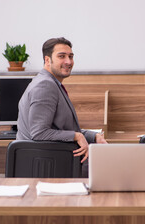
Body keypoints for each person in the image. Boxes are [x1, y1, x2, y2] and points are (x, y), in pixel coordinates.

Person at [16, 37, 107, 165]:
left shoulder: (50, 83)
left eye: (71, 56)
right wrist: (77, 136)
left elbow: (63, 128)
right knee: (111, 169)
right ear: (47, 60)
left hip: (54, 158)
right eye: (61, 56)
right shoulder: (45, 86)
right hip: (48, 163)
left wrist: (94, 136)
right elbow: (39, 133)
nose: (68, 61)